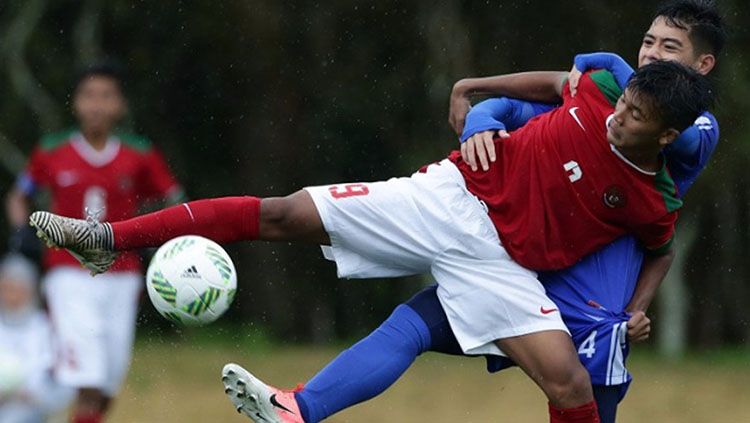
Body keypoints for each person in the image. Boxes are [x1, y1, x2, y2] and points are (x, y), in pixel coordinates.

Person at [30, 61, 712, 423]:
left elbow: (661, 246)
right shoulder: (596, 89)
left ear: (667, 135)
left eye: (635, 119)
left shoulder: (654, 197)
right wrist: (473, 94)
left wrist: (637, 306)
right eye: (622, 106)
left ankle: (301, 409)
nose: (619, 119)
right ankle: (106, 238)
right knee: (282, 212)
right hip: (448, 197)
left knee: (568, 386)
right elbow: (544, 84)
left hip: (502, 264)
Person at [244, 3, 722, 423]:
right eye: (648, 43)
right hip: (521, 266)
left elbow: (671, 188)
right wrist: (480, 118)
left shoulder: (686, 122)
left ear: (703, 64)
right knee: (414, 323)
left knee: (589, 401)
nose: (652, 56)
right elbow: (516, 108)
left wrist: (636, 308)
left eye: (670, 48)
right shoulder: (611, 101)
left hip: (595, 299)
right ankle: (300, 409)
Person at [5, 62, 185, 423]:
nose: (97, 105)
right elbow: (19, 197)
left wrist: (162, 237)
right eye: (89, 96)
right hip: (68, 274)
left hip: (122, 274)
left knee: (106, 382)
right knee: (87, 376)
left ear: (120, 105)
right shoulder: (52, 150)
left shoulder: (139, 153)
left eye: (106, 96)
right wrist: (22, 231)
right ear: (76, 103)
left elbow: (172, 196)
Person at [0, 254, 73, 423]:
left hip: (35, 410)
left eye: (18, 289)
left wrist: (35, 396)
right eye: (7, 289)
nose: (12, 296)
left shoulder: (46, 329)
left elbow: (63, 384)